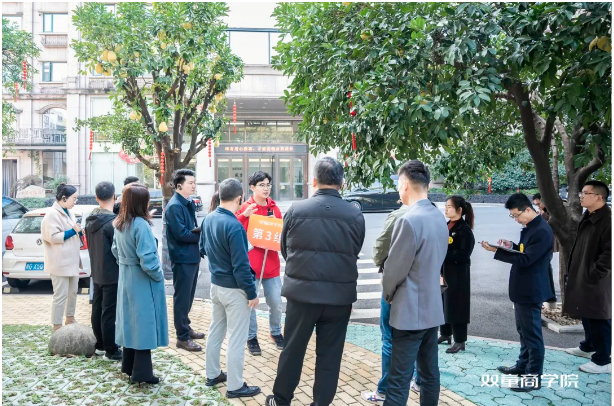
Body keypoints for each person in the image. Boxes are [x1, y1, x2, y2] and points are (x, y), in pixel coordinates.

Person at [266, 157, 365, 406]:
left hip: (302, 295)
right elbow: (354, 250)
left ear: (313, 181)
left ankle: (281, 399)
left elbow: (285, 250)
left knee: (292, 350)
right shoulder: (354, 215)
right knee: (330, 356)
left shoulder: (296, 210)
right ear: (342, 183)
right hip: (338, 298)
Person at [380, 160, 448, 406]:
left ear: (405, 184)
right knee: (429, 374)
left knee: (398, 380)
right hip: (432, 308)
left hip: (409, 312)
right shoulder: (438, 216)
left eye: (399, 184)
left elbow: (393, 271)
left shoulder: (408, 220)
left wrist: (388, 295)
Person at [481, 193, 554, 392]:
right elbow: (524, 251)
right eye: (512, 216)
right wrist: (510, 246)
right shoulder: (531, 227)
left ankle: (533, 377)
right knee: (523, 331)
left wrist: (497, 251)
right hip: (524, 288)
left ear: (528, 209)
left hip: (531, 289)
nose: (515, 219)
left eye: (516, 215)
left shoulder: (541, 230)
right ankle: (523, 366)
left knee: (532, 336)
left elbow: (526, 259)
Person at [202, 178, 261, 398]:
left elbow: (203, 248)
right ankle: (235, 386)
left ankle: (213, 374)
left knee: (216, 330)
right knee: (236, 338)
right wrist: (252, 293)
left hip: (216, 285)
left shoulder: (209, 218)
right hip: (235, 290)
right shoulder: (234, 226)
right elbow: (241, 266)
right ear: (239, 198)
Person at [361, 199, 418, 405]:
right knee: (419, 338)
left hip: (396, 287)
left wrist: (382, 267)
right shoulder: (434, 216)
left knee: (389, 338)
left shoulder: (399, 216)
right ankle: (417, 380)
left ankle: (384, 389)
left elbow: (380, 249)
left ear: (405, 187)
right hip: (424, 290)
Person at [112, 184, 168, 384]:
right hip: (141, 280)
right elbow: (148, 259)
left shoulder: (119, 223)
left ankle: (129, 366)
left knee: (130, 322)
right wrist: (158, 275)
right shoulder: (140, 225)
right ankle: (143, 373)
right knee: (144, 324)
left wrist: (126, 264)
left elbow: (115, 251)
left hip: (126, 277)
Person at [563, 180, 611, 374]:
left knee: (599, 317)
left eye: (585, 193)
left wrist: (594, 273)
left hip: (597, 279)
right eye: (581, 193)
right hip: (584, 274)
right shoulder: (589, 215)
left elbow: (609, 254)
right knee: (587, 313)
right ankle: (588, 346)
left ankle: (603, 360)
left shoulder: (607, 220)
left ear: (599, 197)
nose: (581, 196)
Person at [236, 171, 284, 355]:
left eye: (268, 185)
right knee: (250, 303)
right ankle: (251, 337)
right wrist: (244, 216)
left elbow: (281, 234)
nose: (266, 188)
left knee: (276, 302)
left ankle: (276, 332)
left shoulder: (274, 209)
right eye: (261, 185)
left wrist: (275, 225)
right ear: (252, 187)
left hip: (271, 265)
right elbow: (234, 229)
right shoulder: (246, 208)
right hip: (251, 267)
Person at [165, 169, 205, 351]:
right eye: (190, 183)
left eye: (194, 182)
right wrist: (201, 235)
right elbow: (181, 233)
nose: (193, 185)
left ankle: (186, 327)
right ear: (179, 186)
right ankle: (182, 337)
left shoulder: (186, 203)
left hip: (191, 256)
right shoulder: (175, 206)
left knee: (188, 296)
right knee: (182, 298)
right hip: (182, 258)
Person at [85, 181, 122, 361]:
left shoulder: (90, 220)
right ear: (115, 197)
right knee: (109, 312)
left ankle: (100, 345)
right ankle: (111, 350)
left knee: (97, 308)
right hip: (112, 272)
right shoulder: (113, 223)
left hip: (97, 271)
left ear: (96, 198)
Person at [41, 183, 84, 332]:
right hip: (59, 262)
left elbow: (72, 230)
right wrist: (73, 231)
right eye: (74, 198)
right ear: (64, 198)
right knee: (60, 295)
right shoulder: (52, 214)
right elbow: (52, 237)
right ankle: (57, 325)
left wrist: (78, 231)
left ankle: (70, 318)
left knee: (73, 292)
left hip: (71, 261)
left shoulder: (68, 212)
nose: (75, 201)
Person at [439, 196, 475, 354]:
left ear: (459, 210)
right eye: (446, 206)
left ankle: (460, 340)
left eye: (449, 206)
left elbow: (464, 254)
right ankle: (445, 333)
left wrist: (443, 254)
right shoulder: (447, 225)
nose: (446, 209)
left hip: (457, 274)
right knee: (443, 303)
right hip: (444, 271)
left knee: (456, 306)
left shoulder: (464, 230)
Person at [532, 193, 558, 306]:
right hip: (544, 243)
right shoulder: (542, 211)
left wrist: (543, 216)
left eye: (539, 204)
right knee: (545, 268)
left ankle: (550, 296)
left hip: (548, 243)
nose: (538, 206)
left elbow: (553, 223)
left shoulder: (552, 210)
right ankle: (549, 296)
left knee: (546, 267)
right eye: (536, 205)